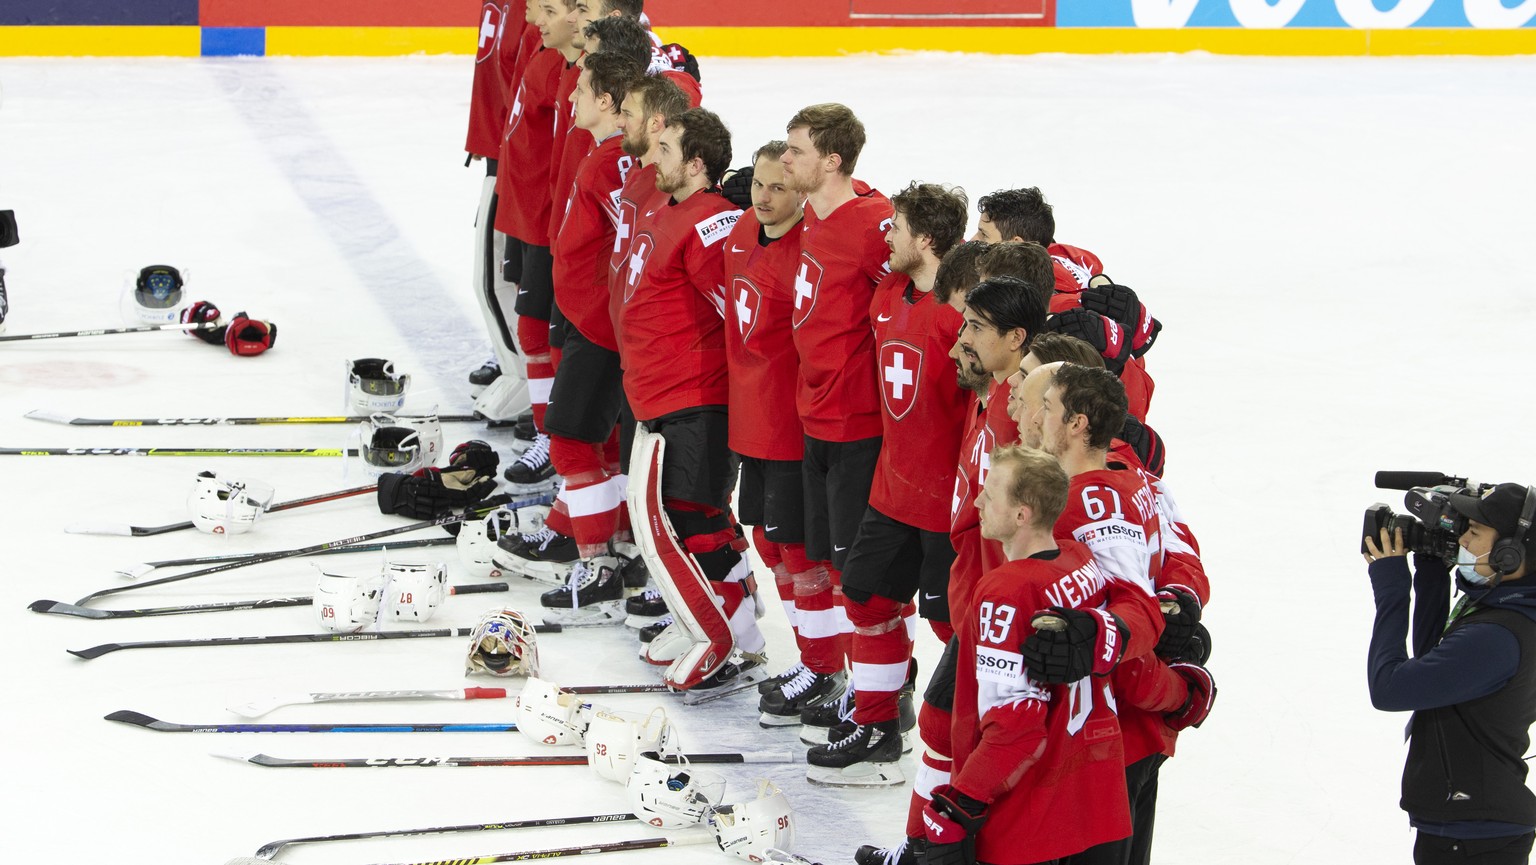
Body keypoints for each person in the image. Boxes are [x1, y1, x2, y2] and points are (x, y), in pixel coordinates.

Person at [807, 182, 971, 787]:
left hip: (948, 507)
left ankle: (969, 745)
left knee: (955, 628)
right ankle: (878, 727)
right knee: (868, 599)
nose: (887, 235)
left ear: (926, 240)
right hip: (889, 490)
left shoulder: (962, 318)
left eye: (897, 226)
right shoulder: (888, 289)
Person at [1022, 362, 1213, 865]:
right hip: (1132, 730)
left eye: (1046, 407)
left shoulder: (1087, 505)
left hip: (1110, 735)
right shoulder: (1134, 480)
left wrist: (1169, 694)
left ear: (1077, 423)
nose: (1034, 418)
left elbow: (1125, 619)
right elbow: (1181, 555)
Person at [923, 444, 1133, 865]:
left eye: (991, 492)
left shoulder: (1005, 592)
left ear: (1022, 514)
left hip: (1025, 813)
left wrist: (961, 801)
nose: (978, 500)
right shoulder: (1080, 561)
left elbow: (1016, 724)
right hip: (1091, 795)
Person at [620, 107, 766, 699]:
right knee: (696, 516)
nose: (654, 158)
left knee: (691, 518)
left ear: (697, 162)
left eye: (666, 149)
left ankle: (726, 635)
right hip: (661, 393)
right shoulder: (669, 207)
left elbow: (736, 316)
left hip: (696, 399)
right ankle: (733, 626)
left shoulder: (710, 224)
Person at [719, 142, 840, 725]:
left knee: (799, 552)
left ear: (801, 192)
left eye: (777, 188)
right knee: (770, 545)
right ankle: (815, 657)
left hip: (792, 426)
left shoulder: (810, 250)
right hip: (750, 420)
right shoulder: (742, 229)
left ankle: (824, 667)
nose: (763, 198)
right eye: (759, 186)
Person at [525, 52, 647, 623]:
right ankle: (617, 549)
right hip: (595, 320)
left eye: (581, 91)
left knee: (572, 441)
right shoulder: (609, 158)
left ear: (606, 102)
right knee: (597, 443)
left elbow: (633, 237)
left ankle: (597, 565)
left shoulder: (609, 164)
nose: (569, 98)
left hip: (598, 327)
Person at [1365, 483, 1536, 865]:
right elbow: (1434, 670)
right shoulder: (1504, 612)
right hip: (1466, 832)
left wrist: (1392, 590)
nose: (1462, 539)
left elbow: (1390, 688)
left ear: (1511, 553)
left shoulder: (1497, 636)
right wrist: (1430, 574)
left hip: (1475, 842)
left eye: (1474, 532)